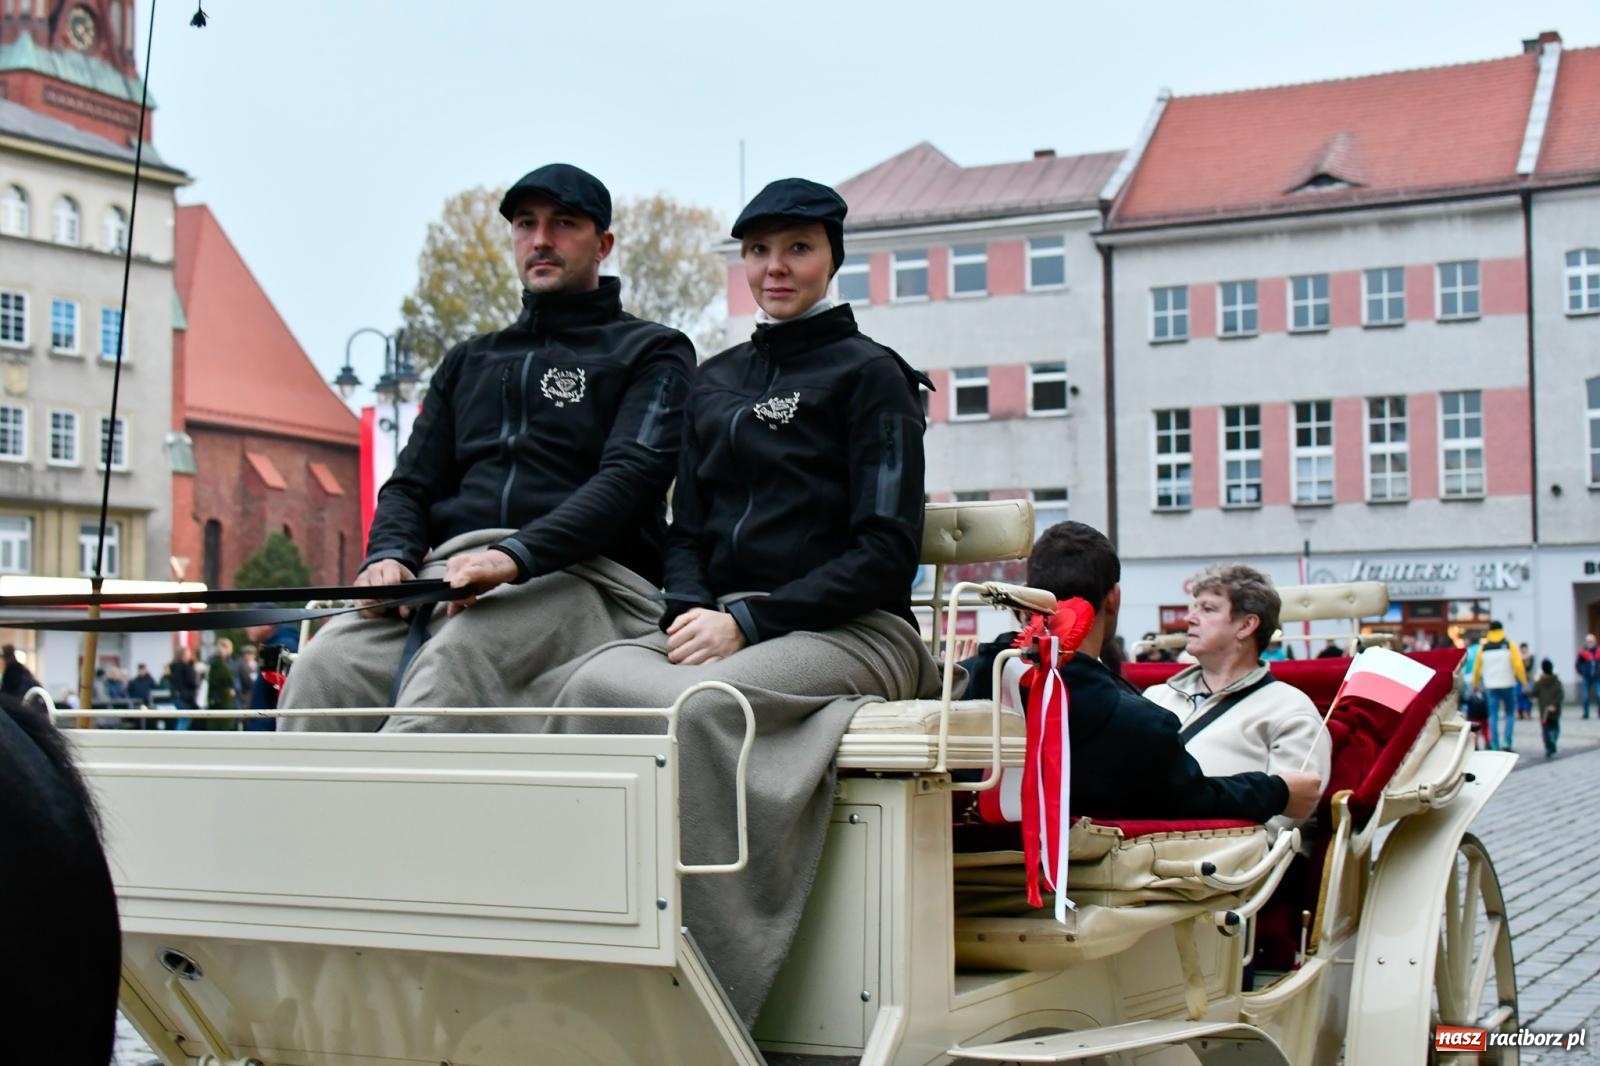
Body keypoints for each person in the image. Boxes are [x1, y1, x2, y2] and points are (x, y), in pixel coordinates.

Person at [546, 178, 941, 1027]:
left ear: (833, 257)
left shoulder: (872, 377)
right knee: (588, 684)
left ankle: (709, 994)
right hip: (728, 620)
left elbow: (884, 553)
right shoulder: (715, 379)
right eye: (759, 251)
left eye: (797, 248)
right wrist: (693, 609)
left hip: (857, 628)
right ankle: (588, 953)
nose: (775, 267)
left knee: (703, 709)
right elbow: (686, 530)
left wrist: (749, 622)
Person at [280, 163, 696, 727]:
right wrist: (389, 555)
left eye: (563, 223)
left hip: (587, 578)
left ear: (603, 244)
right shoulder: (468, 360)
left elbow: (628, 482)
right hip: (449, 575)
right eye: (526, 224)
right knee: (321, 670)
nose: (540, 239)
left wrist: (512, 558)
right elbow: (410, 485)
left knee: (452, 669)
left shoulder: (654, 351)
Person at [960, 523, 1322, 823]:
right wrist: (1275, 792)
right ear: (1114, 598)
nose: (1190, 618)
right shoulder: (1146, 715)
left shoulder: (964, 684)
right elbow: (1191, 801)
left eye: (1208, 609)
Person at [1142, 564, 1330, 835]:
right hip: (1135, 845)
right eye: (1194, 607)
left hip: (1225, 856)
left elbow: (1283, 824)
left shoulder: (1291, 710)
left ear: (1246, 625)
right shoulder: (1155, 696)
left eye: (1208, 609)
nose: (1190, 618)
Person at [1471, 620, 1527, 751]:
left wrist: (1475, 684)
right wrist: (1524, 682)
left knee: (1493, 716)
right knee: (1510, 714)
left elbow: (1477, 668)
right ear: (1502, 630)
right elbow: (1518, 665)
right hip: (1508, 684)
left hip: (1491, 686)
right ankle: (1507, 742)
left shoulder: (1483, 648)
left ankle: (1494, 744)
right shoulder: (1509, 645)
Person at [1534, 658, 1564, 759]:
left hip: (1544, 711)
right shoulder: (1557, 681)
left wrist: (1526, 692)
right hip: (1555, 710)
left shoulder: (1539, 682)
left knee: (1546, 730)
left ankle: (1548, 747)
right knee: (1555, 727)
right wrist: (1554, 705)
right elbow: (1560, 694)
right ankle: (1553, 739)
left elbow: (1533, 693)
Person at [168, 646, 199, 729]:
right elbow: (191, 681)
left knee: (183, 718)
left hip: (178, 696)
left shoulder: (174, 667)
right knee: (185, 718)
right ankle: (179, 736)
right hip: (184, 697)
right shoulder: (185, 667)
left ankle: (179, 735)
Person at [1575, 634, 1598, 719]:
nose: (1590, 643)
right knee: (1585, 696)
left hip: (1597, 677)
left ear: (1595, 641)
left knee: (1599, 695)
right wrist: (1582, 671)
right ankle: (1586, 713)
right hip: (1586, 677)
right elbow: (1578, 664)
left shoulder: (1598, 652)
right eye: (1588, 641)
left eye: (1591, 641)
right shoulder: (1582, 652)